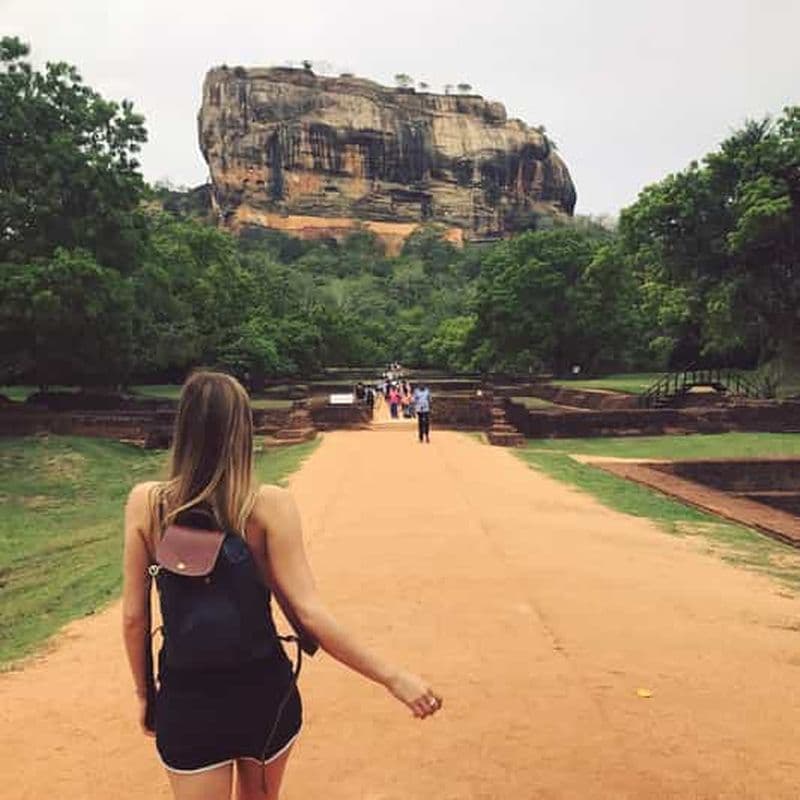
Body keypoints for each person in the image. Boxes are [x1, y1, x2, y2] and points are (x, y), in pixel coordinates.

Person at [122, 371, 442, 800]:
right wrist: (393, 677)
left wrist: (146, 694)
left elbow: (134, 618)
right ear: (242, 429)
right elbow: (310, 612)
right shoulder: (267, 506)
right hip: (262, 693)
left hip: (188, 696)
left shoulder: (148, 504)